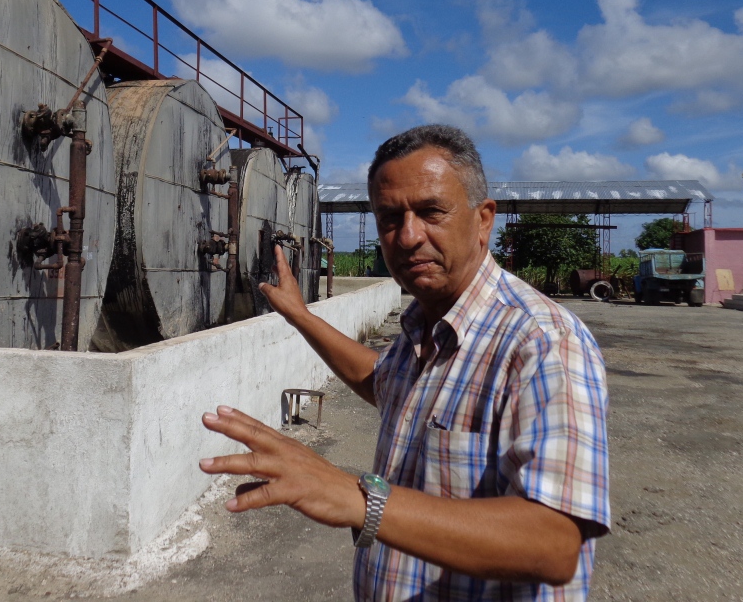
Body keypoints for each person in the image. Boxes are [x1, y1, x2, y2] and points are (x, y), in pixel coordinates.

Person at [200, 125, 610, 601]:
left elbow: (555, 543)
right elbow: (383, 382)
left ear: (483, 221)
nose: (409, 236)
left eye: (432, 211)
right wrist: (299, 316)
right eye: (389, 217)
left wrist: (357, 499)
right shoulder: (423, 325)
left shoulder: (541, 341)